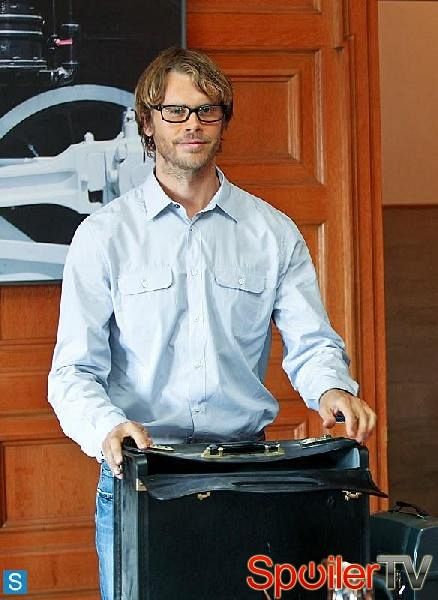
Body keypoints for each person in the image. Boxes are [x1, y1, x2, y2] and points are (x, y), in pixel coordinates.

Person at [48, 47, 376, 600]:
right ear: (147, 122)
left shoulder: (272, 233)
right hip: (143, 477)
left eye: (207, 110)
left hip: (249, 478)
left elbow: (311, 343)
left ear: (224, 120)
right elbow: (72, 372)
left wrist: (331, 388)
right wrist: (107, 428)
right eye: (175, 111)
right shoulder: (103, 237)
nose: (192, 124)